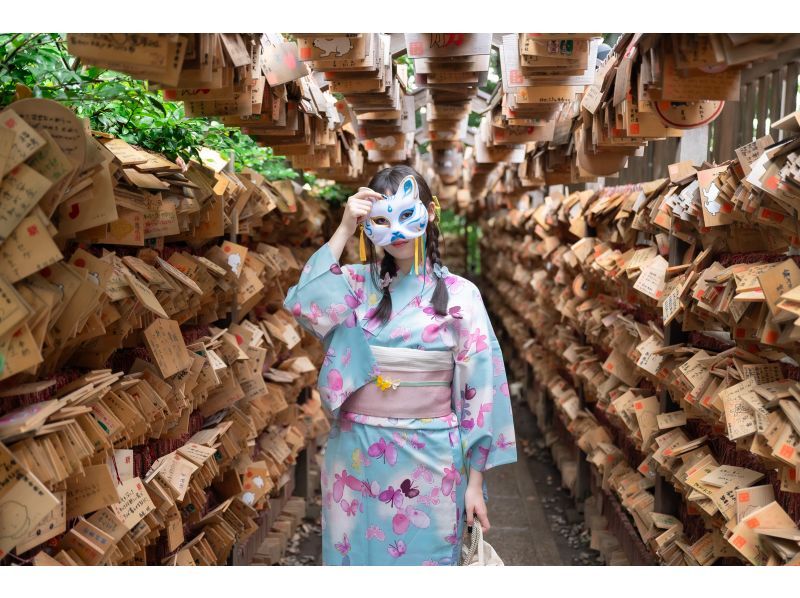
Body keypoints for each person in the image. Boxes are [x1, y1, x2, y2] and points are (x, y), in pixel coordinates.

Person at [284, 165, 517, 566]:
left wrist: (475, 483)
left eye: (408, 214)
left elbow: (480, 390)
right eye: (379, 218)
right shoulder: (357, 284)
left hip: (431, 459)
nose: (396, 232)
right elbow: (305, 301)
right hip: (355, 453)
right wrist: (343, 229)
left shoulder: (461, 294)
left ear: (430, 213)